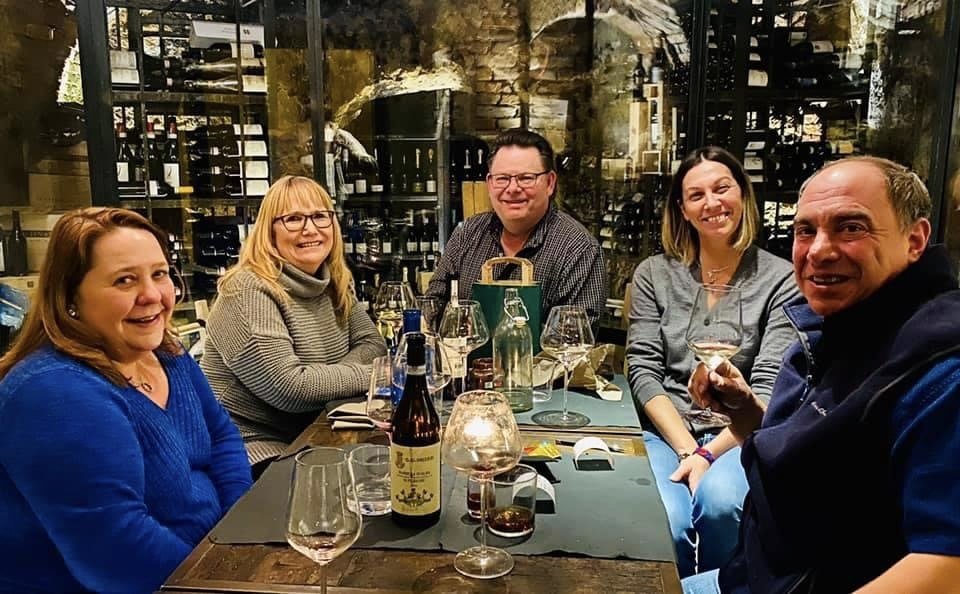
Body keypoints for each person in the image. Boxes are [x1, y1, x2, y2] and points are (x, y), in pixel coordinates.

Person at [684, 156, 960, 593]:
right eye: (805, 230)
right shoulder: (838, 323)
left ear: (915, 239)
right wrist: (745, 413)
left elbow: (947, 567)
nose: (819, 250)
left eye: (851, 227)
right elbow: (819, 457)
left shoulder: (939, 372)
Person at [0, 207, 252, 593]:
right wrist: (222, 580)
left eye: (160, 274)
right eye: (124, 281)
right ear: (71, 297)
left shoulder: (165, 352)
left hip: (214, 563)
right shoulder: (54, 394)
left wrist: (241, 534)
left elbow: (222, 437)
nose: (151, 295)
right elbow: (118, 555)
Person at [626, 147, 799, 578]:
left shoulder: (782, 278)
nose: (712, 203)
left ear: (742, 195)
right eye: (696, 194)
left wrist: (710, 453)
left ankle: (729, 585)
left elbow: (769, 383)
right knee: (666, 518)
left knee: (720, 506)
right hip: (668, 432)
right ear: (682, 209)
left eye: (722, 188)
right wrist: (689, 448)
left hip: (744, 435)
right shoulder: (654, 274)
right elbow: (643, 370)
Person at [202, 175, 386, 476]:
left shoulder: (332, 281)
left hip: (315, 430)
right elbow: (290, 388)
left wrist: (324, 381)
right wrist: (379, 376)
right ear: (269, 230)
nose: (310, 229)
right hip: (250, 449)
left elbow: (373, 345)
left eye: (319, 216)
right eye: (293, 219)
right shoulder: (249, 289)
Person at [426, 128, 607, 327]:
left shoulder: (579, 250)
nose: (512, 189)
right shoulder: (468, 233)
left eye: (526, 178)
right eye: (502, 178)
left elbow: (573, 342)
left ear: (550, 182)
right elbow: (433, 304)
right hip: (463, 357)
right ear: (489, 183)